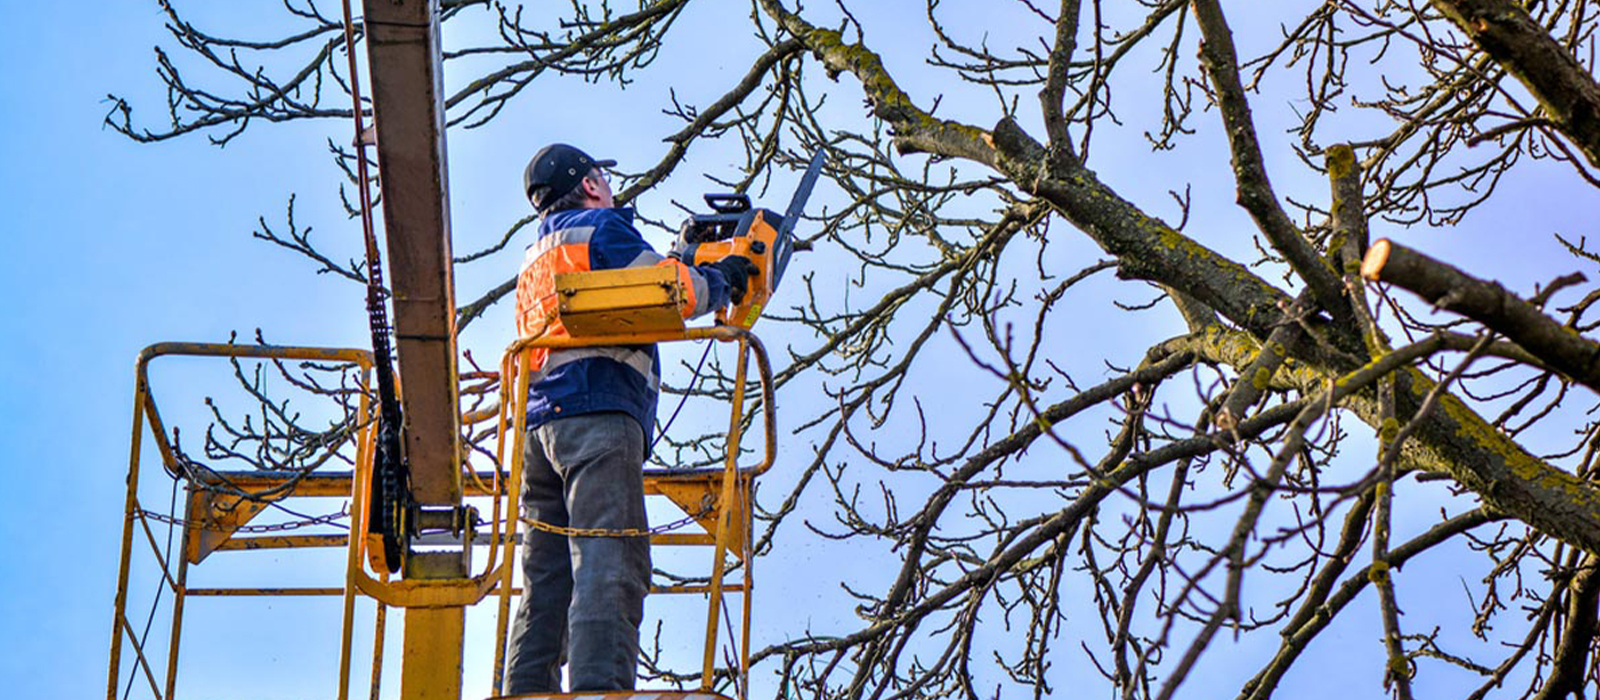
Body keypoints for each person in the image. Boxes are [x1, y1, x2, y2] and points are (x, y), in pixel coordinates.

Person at [503, 143, 757, 695]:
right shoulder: (600, 230)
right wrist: (727, 276)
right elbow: (673, 292)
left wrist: (680, 259)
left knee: (546, 576)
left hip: (541, 425)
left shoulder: (537, 254)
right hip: (597, 413)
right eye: (604, 178)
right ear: (592, 184)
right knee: (609, 555)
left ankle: (526, 688)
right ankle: (600, 688)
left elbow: (632, 293)